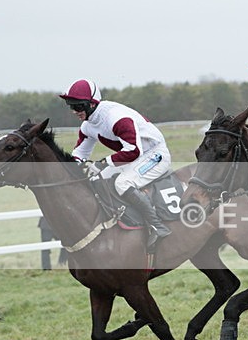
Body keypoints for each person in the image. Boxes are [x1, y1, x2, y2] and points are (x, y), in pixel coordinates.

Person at [59, 79, 172, 250]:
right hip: (134, 156)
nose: (74, 111)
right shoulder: (87, 126)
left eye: (78, 106)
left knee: (122, 183)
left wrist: (102, 163)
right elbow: (80, 154)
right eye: (71, 106)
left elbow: (133, 151)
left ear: (92, 103)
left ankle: (157, 226)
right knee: (96, 179)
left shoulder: (116, 118)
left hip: (155, 154)